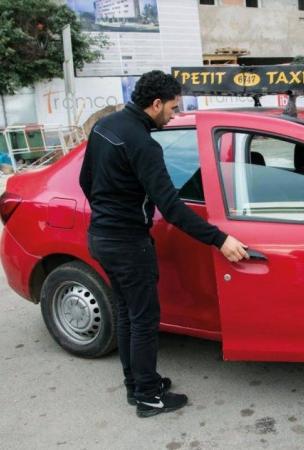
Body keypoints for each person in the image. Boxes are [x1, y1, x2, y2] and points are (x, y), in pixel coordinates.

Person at [79, 70, 248, 418]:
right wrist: (219, 239)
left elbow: (86, 180)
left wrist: (110, 213)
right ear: (155, 104)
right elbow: (171, 207)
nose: (173, 115)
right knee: (143, 320)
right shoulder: (144, 145)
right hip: (128, 244)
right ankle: (148, 397)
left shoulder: (103, 127)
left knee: (127, 314)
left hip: (100, 237)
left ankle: (138, 383)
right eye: (172, 107)